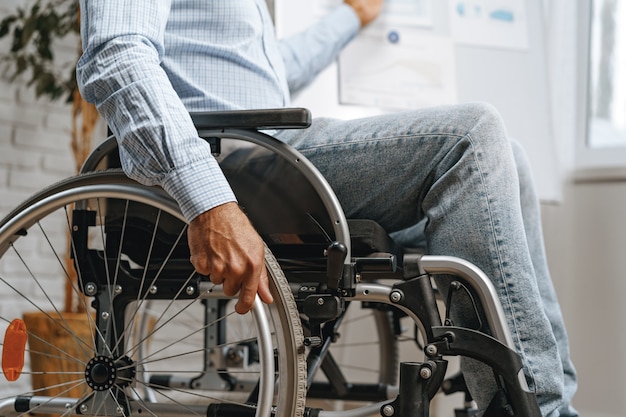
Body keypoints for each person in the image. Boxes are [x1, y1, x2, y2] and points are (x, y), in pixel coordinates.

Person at [76, 1, 578, 416]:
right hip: (230, 162)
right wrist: (209, 200)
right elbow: (116, 56)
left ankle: (548, 402)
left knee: (510, 157)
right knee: (473, 138)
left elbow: (263, 71)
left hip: (262, 149)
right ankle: (533, 408)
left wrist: (349, 17)